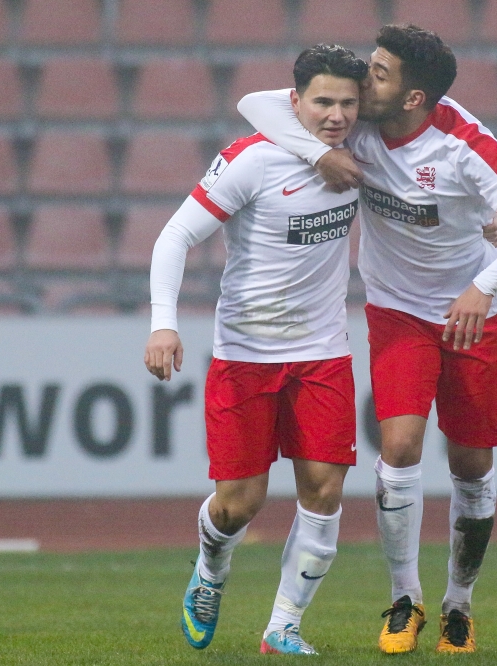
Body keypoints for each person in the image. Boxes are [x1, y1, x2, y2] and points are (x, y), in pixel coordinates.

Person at [238, 24, 497, 654]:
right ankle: (404, 600)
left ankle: (458, 604)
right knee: (399, 446)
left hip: (474, 316)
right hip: (397, 311)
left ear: (414, 98)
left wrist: (484, 286)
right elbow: (255, 103)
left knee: (471, 463)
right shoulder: (355, 122)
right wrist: (317, 154)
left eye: (380, 73)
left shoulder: (464, 143)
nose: (364, 79)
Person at [144, 44, 369, 655]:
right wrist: (164, 324)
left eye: (349, 103)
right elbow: (175, 236)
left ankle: (284, 626)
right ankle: (210, 569)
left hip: (324, 352)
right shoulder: (251, 160)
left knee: (324, 490)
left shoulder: (363, 149)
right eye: (323, 102)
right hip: (245, 355)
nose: (337, 115)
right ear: (294, 101)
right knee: (239, 504)